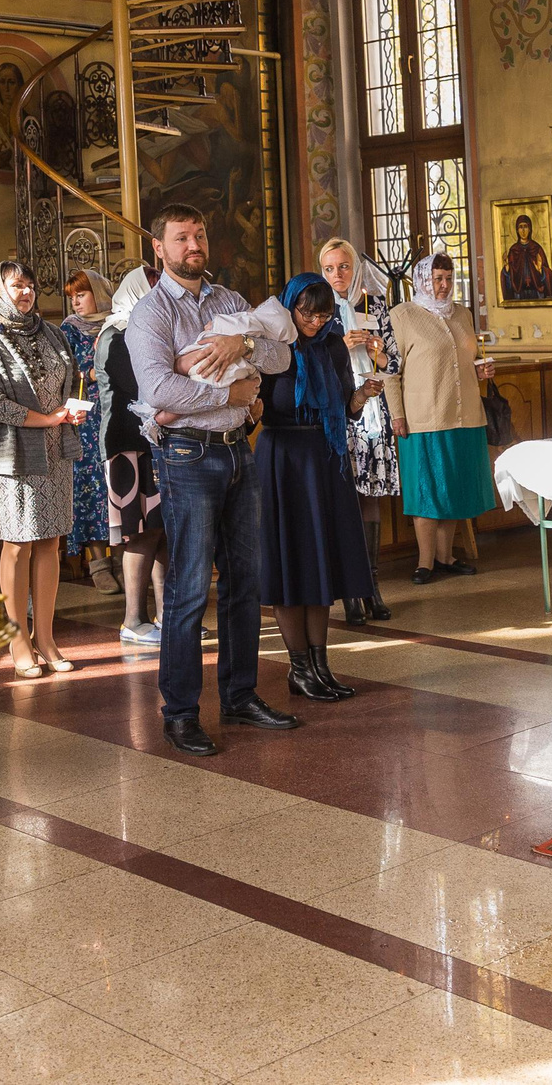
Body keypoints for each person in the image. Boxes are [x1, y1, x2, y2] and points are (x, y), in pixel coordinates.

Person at [127, 202, 299, 756]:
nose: (193, 245)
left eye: (199, 234)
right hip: (186, 457)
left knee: (245, 580)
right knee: (188, 588)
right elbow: (158, 390)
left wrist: (240, 345)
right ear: (160, 247)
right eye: (181, 238)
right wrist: (228, 395)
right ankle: (179, 711)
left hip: (236, 453)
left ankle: (240, 695)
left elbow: (278, 357)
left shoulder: (228, 300)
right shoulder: (151, 314)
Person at [255, 274, 380, 702]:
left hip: (325, 458)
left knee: (321, 562)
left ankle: (322, 666)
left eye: (323, 314)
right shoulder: (275, 346)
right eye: (306, 313)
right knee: (292, 563)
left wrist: (361, 396)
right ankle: (299, 668)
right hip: (283, 458)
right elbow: (258, 407)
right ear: (291, 307)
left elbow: (344, 407)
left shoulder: (332, 344)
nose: (313, 321)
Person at [0, 262, 81, 678]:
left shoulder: (50, 332)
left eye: (30, 285)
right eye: (17, 286)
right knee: (19, 543)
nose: (26, 292)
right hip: (13, 456)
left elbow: (71, 378)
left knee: (50, 542)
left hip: (56, 451)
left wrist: (71, 411)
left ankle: (46, 638)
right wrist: (45, 419)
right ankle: (18, 641)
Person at [384, 252, 497, 585]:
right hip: (423, 418)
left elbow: (464, 360)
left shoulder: (462, 314)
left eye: (449, 278)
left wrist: (482, 370)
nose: (444, 285)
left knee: (453, 489)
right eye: (437, 278)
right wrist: (397, 414)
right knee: (427, 491)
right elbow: (391, 371)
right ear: (422, 280)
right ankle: (424, 563)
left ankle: (445, 557)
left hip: (464, 415)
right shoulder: (402, 315)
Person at [317, 238, 395, 624]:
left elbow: (392, 360)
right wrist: (340, 347)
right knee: (342, 497)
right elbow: (310, 362)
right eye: (329, 269)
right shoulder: (318, 309)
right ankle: (348, 590)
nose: (337, 275)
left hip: (373, 409)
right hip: (339, 410)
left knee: (370, 497)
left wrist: (377, 350)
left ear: (355, 269)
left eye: (343, 267)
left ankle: (372, 585)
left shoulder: (374, 305)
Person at [95, 264, 166, 646]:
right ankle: (133, 621)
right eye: (152, 290)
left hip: (152, 443)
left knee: (162, 530)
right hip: (126, 445)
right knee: (139, 533)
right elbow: (140, 383)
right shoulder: (115, 335)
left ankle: (168, 615)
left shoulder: (144, 330)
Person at [59, 269, 116, 590]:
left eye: (81, 294)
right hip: (87, 419)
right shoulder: (69, 330)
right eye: (72, 297)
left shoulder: (116, 322)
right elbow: (61, 374)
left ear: (98, 293)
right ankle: (98, 563)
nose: (76, 302)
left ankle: (123, 555)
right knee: (92, 488)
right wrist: (90, 374)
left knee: (117, 483)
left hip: (116, 413)